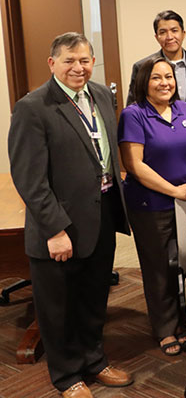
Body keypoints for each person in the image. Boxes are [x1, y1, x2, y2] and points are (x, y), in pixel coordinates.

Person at [9, 32, 133, 398]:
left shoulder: (100, 95)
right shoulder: (33, 107)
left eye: (85, 60)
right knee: (58, 307)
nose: (78, 67)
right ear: (52, 64)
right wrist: (55, 229)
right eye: (69, 61)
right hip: (60, 227)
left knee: (94, 297)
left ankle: (95, 360)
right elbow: (29, 179)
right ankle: (66, 376)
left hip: (101, 216)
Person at [119, 57, 186, 356]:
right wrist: (173, 191)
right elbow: (134, 164)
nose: (165, 82)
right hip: (151, 203)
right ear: (145, 82)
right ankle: (166, 328)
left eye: (169, 76)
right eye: (157, 77)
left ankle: (185, 319)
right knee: (159, 268)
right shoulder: (134, 114)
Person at [126, 10, 186, 110]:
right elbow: (133, 106)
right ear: (156, 37)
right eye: (163, 32)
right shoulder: (142, 67)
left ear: (183, 34)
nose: (169, 37)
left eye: (174, 31)